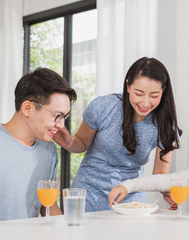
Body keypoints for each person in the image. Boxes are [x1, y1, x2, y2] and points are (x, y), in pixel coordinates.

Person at [53, 57, 181, 211]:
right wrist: (68, 142)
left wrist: (165, 190)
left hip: (131, 197)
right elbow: (81, 142)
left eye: (154, 96)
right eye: (138, 93)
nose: (145, 103)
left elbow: (160, 173)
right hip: (89, 193)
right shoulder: (103, 107)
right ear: (128, 86)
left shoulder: (165, 125)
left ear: (163, 91)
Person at [0, 67, 77, 224]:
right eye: (57, 116)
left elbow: (49, 207)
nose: (62, 125)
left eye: (65, 117)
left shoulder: (48, 150)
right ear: (27, 108)